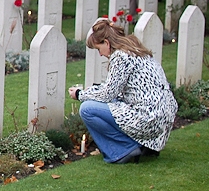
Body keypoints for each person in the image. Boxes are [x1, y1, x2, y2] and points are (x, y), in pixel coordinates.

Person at [69, 19, 178, 164]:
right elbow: (120, 90)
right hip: (162, 116)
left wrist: (80, 94)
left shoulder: (120, 56)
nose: (100, 54)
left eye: (98, 49)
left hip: (147, 118)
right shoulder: (135, 49)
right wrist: (94, 90)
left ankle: (123, 150)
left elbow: (108, 94)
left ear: (107, 43)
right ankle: (144, 147)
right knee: (103, 102)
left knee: (87, 109)